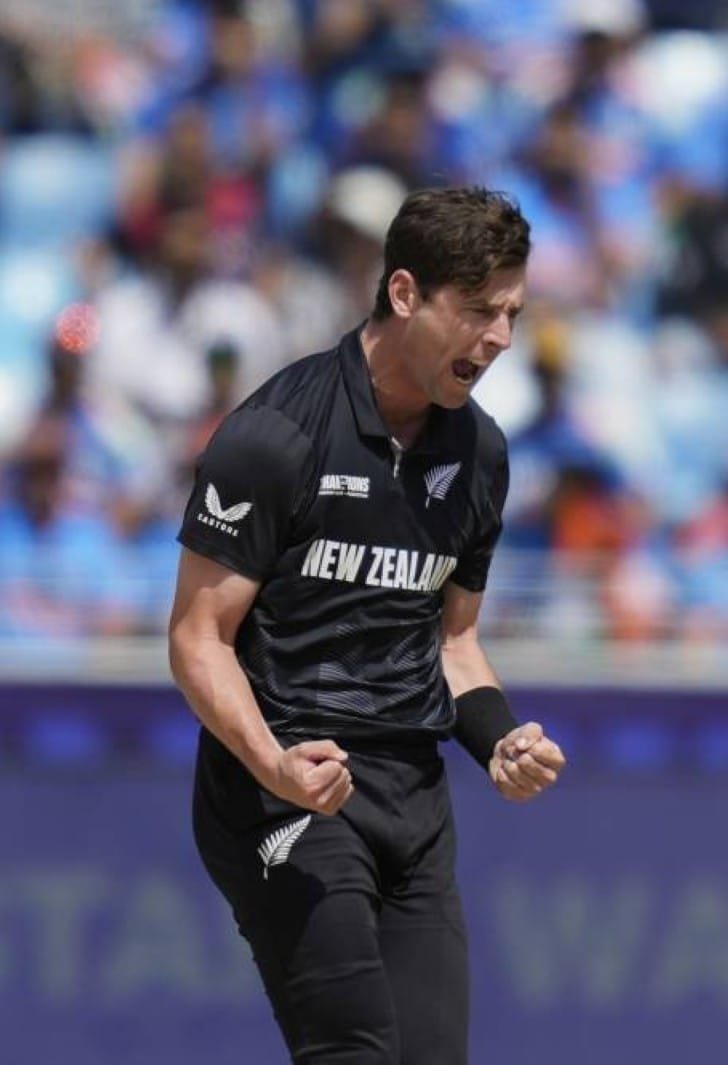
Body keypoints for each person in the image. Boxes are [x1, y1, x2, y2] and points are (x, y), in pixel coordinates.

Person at [167, 186, 565, 1065]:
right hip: (284, 780)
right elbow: (197, 638)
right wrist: (274, 763)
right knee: (354, 1049)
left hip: (411, 796)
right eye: (479, 310)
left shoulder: (481, 454)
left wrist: (499, 739)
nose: (500, 338)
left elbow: (452, 643)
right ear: (405, 293)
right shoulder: (275, 435)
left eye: (512, 313)